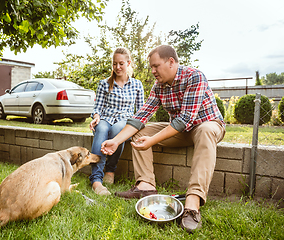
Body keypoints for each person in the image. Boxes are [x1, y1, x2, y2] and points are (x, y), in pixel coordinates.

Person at [100, 45, 226, 232]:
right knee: (141, 131)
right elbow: (140, 117)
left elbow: (185, 119)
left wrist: (152, 142)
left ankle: (193, 202)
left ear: (171, 62)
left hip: (206, 125)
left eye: (156, 66)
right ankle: (146, 185)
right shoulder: (159, 87)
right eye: (151, 67)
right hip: (182, 132)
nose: (152, 71)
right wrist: (116, 140)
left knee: (206, 130)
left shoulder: (194, 77)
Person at [89, 47, 144, 196]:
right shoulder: (104, 84)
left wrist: (137, 126)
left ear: (128, 63)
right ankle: (96, 180)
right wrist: (96, 117)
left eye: (121, 63)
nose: (117, 67)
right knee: (101, 129)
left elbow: (140, 111)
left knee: (117, 130)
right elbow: (98, 107)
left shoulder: (137, 85)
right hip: (106, 117)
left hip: (125, 120)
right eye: (114, 64)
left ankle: (110, 170)